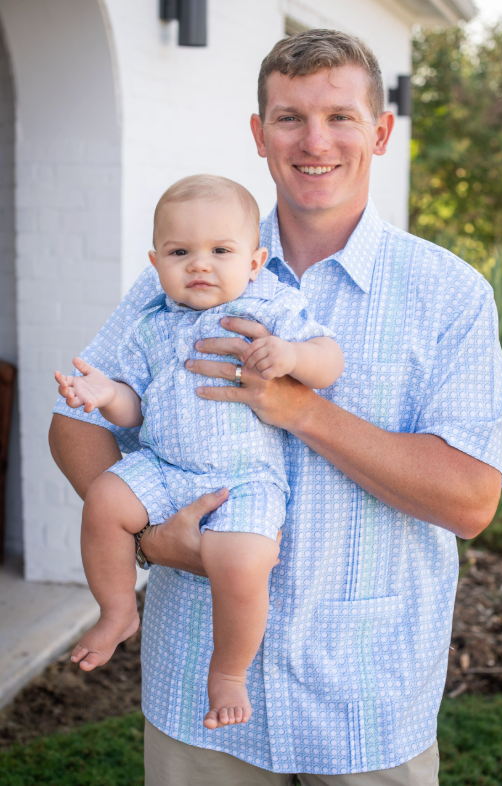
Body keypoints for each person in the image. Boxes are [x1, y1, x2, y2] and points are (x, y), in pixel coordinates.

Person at [49, 29, 502, 786]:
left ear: (381, 132)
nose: (314, 141)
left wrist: (300, 409)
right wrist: (150, 536)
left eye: (339, 117)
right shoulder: (190, 262)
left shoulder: (447, 294)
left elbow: (469, 500)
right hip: (196, 685)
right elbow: (77, 425)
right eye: (290, 118)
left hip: (365, 700)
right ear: (259, 136)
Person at [53, 175, 343, 730]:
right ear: (155, 261)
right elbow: (132, 408)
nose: (200, 265)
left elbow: (329, 359)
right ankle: (117, 612)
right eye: (180, 252)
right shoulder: (151, 323)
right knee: (105, 501)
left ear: (255, 261)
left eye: (220, 251)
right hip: (164, 465)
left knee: (241, 564)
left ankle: (229, 672)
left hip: (244, 479)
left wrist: (291, 356)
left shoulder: (270, 304)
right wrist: (103, 395)